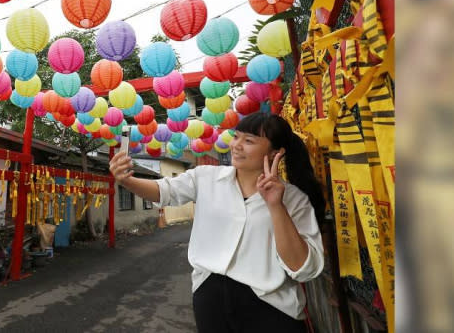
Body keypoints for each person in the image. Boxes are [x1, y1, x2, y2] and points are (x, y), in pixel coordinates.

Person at [109, 112, 325, 333]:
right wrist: (127, 180)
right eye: (236, 137)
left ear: (275, 153)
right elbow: (163, 191)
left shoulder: (294, 199)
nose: (237, 145)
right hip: (210, 299)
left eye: (248, 141)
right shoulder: (205, 177)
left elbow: (303, 268)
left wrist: (276, 207)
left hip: (271, 306)